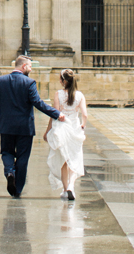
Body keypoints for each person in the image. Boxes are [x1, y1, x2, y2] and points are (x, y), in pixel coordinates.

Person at [0, 55, 64, 198]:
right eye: (29, 66)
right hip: (24, 127)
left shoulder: (0, 81)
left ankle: (9, 171)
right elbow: (38, 103)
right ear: (23, 67)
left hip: (6, 126)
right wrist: (56, 113)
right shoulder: (29, 83)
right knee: (23, 157)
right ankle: (17, 190)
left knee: (6, 152)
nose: (30, 69)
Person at [43, 68, 88, 201]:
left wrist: (47, 131)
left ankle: (64, 189)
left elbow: (55, 114)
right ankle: (71, 187)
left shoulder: (58, 94)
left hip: (62, 129)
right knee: (74, 158)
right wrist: (83, 126)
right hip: (74, 128)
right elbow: (84, 114)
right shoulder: (80, 95)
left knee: (64, 160)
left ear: (63, 81)